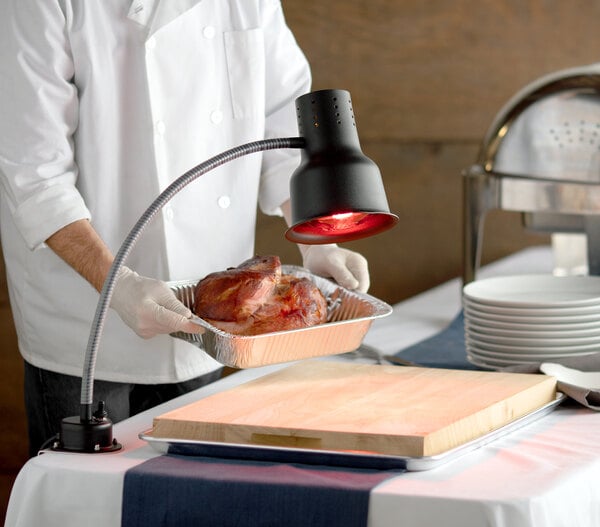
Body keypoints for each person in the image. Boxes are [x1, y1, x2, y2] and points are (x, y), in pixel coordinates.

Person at [0, 1, 370, 456]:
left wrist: (316, 240)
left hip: (210, 318)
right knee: (83, 511)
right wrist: (119, 287)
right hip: (85, 322)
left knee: (186, 501)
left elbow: (282, 124)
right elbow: (36, 178)